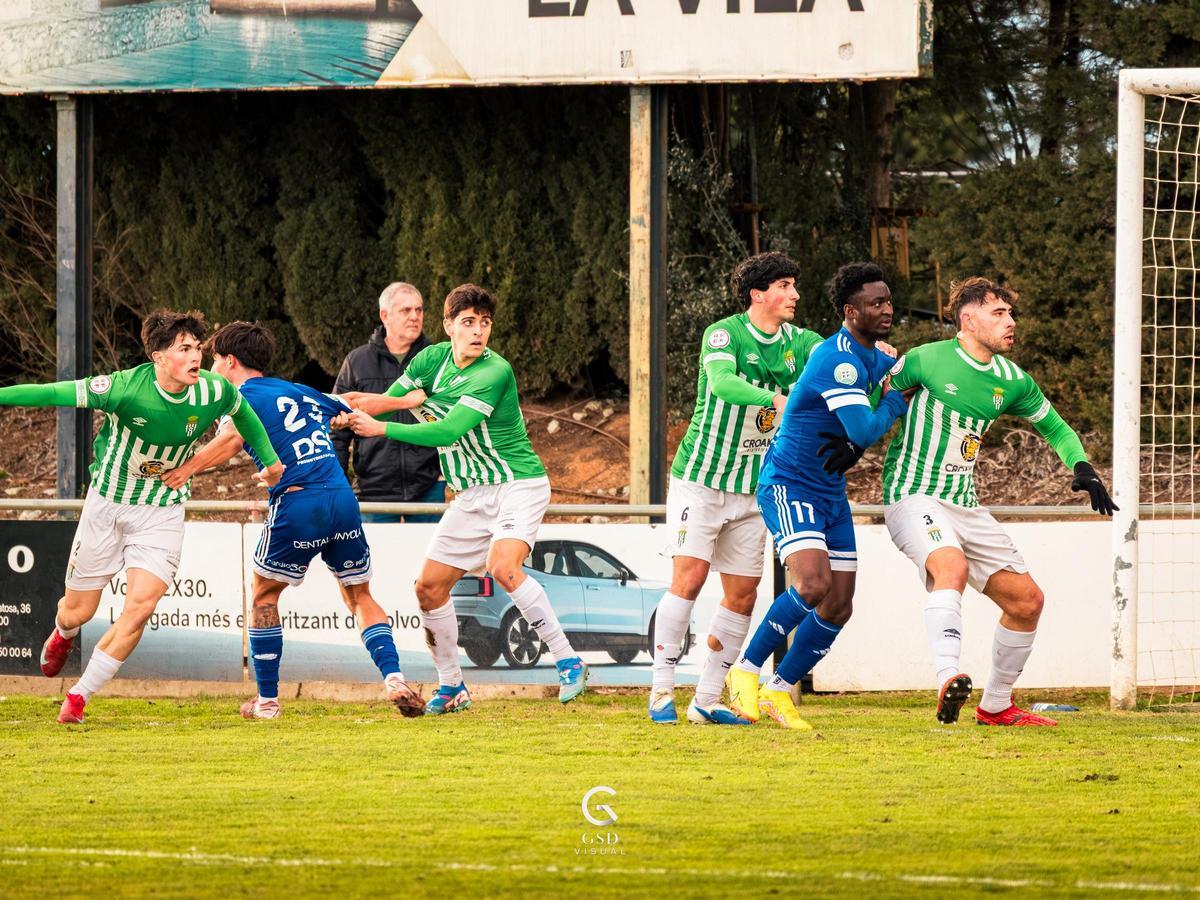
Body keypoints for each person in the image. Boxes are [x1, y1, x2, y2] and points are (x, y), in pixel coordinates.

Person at [0, 309, 283, 725]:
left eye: (198, 348)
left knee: (141, 606)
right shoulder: (123, 388)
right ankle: (64, 632)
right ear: (158, 357)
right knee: (77, 610)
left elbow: (245, 418)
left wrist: (272, 463)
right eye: (184, 348)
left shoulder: (213, 391)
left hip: (162, 509)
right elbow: (52, 392)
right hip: (108, 505)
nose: (195, 357)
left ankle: (79, 696)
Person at [881, 277, 1116, 727]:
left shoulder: (1013, 380)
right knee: (951, 567)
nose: (1011, 322)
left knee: (1027, 602)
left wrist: (1083, 467)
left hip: (965, 504)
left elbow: (1057, 428)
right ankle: (948, 677)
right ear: (967, 320)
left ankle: (995, 706)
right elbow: (870, 402)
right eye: (999, 313)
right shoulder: (926, 359)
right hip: (912, 494)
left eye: (1011, 314)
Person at [343, 284, 589, 713]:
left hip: (517, 484)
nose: (478, 332)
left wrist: (379, 427)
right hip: (472, 495)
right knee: (428, 589)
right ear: (449, 326)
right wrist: (340, 406)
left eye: (485, 323)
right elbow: (392, 399)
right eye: (468, 322)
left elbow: (447, 430)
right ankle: (452, 685)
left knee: (502, 567)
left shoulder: (494, 372)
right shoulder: (430, 359)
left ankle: (567, 659)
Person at [162, 321, 425, 720]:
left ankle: (267, 701)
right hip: (341, 498)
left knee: (264, 597)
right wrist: (401, 402)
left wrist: (186, 469)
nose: (211, 368)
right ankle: (394, 677)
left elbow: (231, 440)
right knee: (360, 596)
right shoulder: (300, 391)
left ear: (230, 362)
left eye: (214, 360)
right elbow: (350, 405)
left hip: (299, 501)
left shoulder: (238, 397)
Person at [727, 262, 909, 729]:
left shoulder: (874, 354)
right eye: (875, 303)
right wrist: (895, 396)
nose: (887, 309)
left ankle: (779, 689)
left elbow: (895, 382)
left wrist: (896, 376)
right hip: (788, 484)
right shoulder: (838, 359)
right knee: (811, 585)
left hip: (829, 491)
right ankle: (745, 671)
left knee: (839, 603)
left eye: (888, 300)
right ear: (851, 311)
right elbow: (865, 428)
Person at [648, 252, 823, 726]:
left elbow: (839, 361)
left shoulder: (803, 343)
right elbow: (723, 383)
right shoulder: (724, 333)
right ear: (758, 294)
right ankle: (661, 690)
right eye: (785, 286)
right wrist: (777, 398)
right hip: (700, 480)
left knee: (743, 595)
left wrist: (879, 358)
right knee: (688, 580)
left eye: (794, 285)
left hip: (754, 488)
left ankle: (706, 699)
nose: (794, 295)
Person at [332, 282, 445, 522]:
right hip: (374, 489)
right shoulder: (356, 361)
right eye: (406, 311)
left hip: (428, 486)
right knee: (375, 560)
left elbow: (451, 420)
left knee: (431, 560)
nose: (415, 317)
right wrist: (337, 485)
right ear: (385, 315)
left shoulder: (437, 359)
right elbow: (336, 430)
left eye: (419, 310)